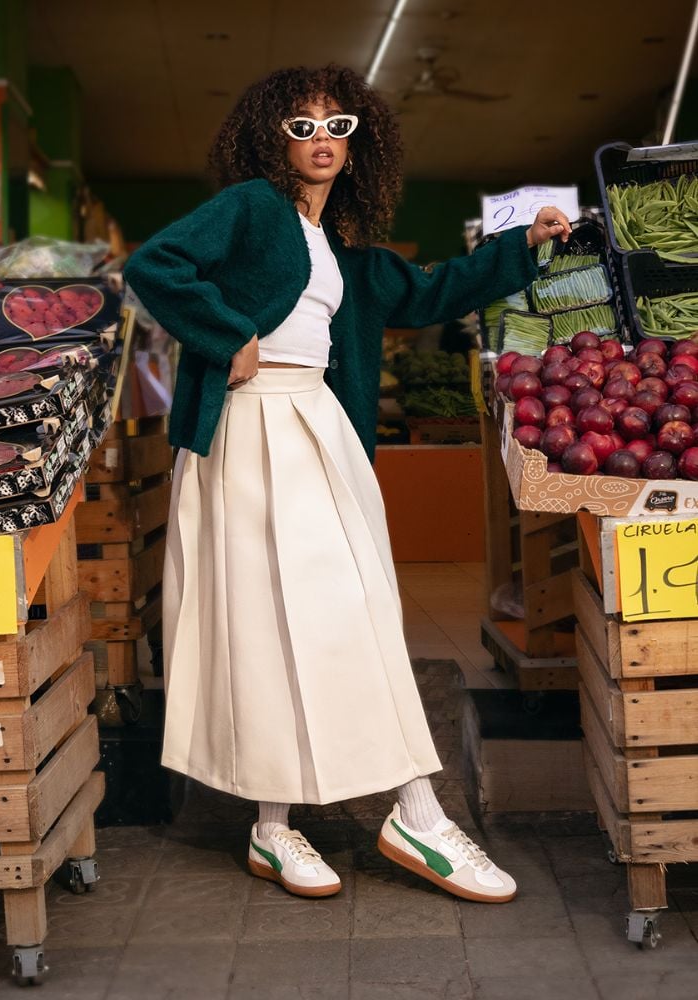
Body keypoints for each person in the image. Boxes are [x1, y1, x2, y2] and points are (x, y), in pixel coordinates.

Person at [123, 64, 571, 904]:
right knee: (274, 620)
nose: (321, 139)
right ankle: (364, 818)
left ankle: (330, 821)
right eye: (301, 126)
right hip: (252, 429)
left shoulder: (345, 253)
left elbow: (436, 291)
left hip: (315, 433)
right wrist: (227, 336)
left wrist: (524, 246)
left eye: (338, 125)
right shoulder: (253, 207)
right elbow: (157, 265)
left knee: (342, 611)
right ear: (270, 139)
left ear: (361, 141)